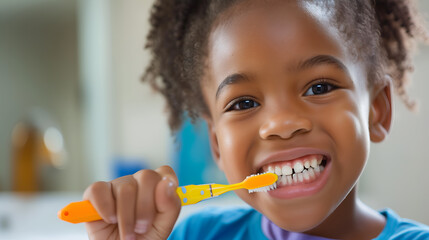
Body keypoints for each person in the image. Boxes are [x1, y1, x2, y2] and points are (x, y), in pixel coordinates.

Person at [83, 0, 429, 239]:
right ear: (216, 143)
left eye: (319, 86)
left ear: (377, 111)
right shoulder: (195, 236)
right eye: (244, 102)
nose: (281, 123)